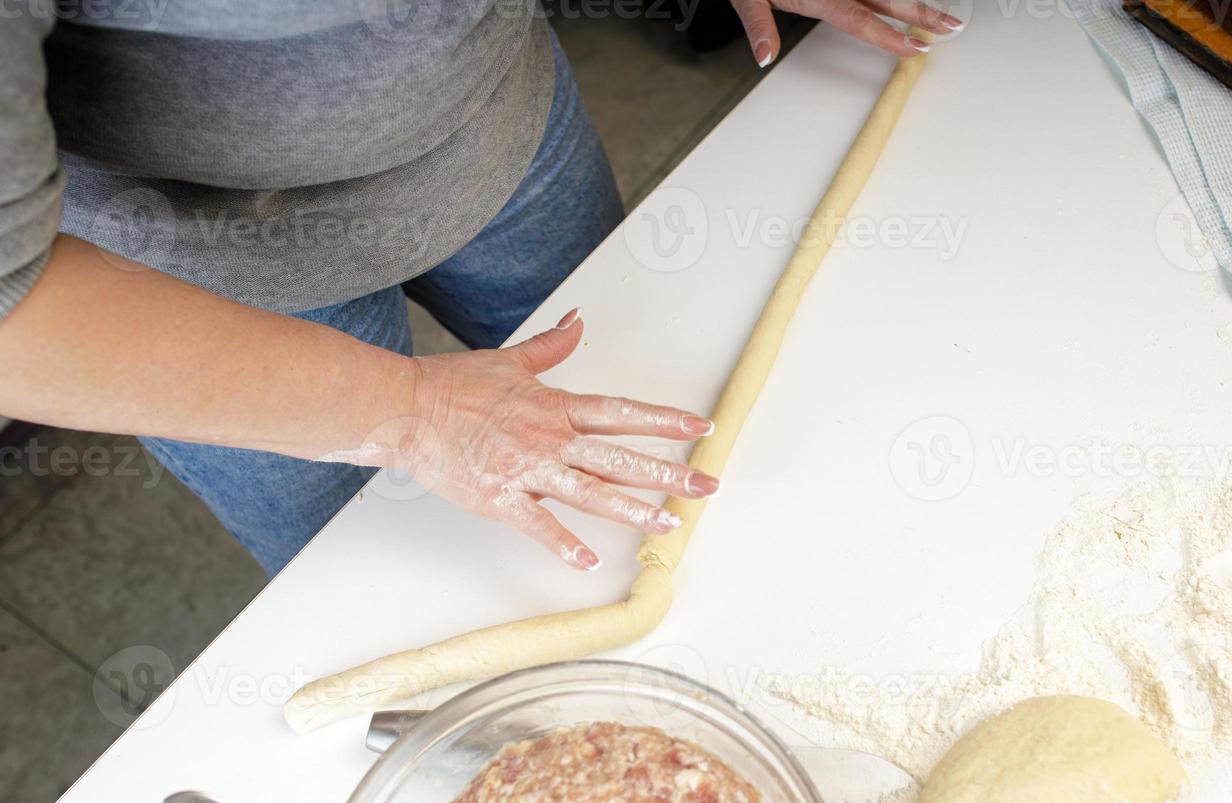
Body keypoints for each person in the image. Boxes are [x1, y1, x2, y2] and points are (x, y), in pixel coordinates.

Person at [0, 0, 962, 576]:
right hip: (190, 275)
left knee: (652, 447)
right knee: (392, 586)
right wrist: (405, 413)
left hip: (497, 130)